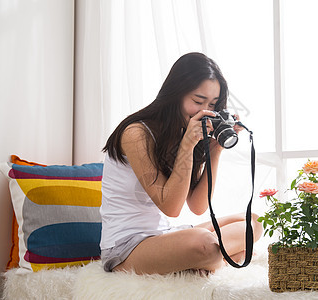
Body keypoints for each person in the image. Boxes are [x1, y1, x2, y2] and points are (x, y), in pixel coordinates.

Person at [100, 52, 262, 275]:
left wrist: (215, 150)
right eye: (198, 101)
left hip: (163, 236)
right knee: (203, 242)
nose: (205, 111)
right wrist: (187, 145)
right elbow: (172, 207)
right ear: (175, 94)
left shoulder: (183, 132)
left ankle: (207, 259)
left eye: (212, 104)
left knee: (254, 221)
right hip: (125, 248)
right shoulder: (136, 133)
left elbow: (197, 206)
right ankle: (217, 260)